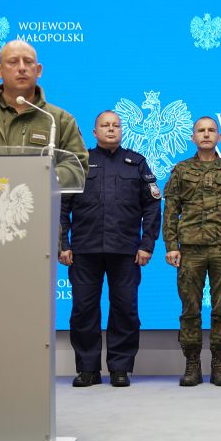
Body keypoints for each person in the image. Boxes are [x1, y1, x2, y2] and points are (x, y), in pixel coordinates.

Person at [59, 111, 162, 387]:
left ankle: (120, 368)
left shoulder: (136, 163)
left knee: (125, 310)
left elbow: (152, 205)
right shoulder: (79, 163)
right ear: (95, 132)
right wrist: (63, 243)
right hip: (84, 250)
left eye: (116, 125)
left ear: (122, 130)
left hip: (126, 250)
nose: (111, 129)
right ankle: (88, 369)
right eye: (105, 125)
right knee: (83, 310)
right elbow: (62, 207)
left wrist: (147, 244)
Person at [163, 117, 221, 387]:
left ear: (219, 137)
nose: (206, 134)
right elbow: (170, 211)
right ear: (193, 137)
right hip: (189, 251)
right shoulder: (181, 170)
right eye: (201, 131)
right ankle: (192, 364)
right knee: (189, 309)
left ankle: (219, 364)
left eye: (211, 130)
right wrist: (171, 246)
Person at [0, 39, 87, 186]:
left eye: (28, 62)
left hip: (39, 205)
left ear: (38, 70)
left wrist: (46, 179)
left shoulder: (59, 119)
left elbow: (78, 165)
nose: (22, 68)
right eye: (13, 62)